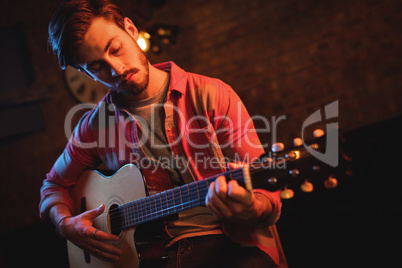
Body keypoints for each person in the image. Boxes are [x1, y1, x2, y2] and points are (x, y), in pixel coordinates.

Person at [40, 0, 282, 267]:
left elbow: (264, 192)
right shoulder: (93, 127)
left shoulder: (213, 94)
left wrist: (252, 207)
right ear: (85, 72)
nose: (117, 69)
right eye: (96, 67)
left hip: (227, 244)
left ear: (131, 29)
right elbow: (53, 186)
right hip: (147, 257)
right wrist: (64, 224)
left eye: (116, 49)